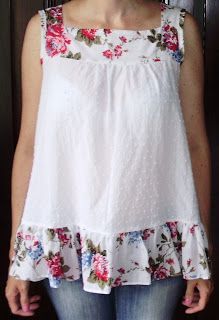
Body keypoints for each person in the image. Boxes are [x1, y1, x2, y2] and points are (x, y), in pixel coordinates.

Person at [5, 0, 214, 319]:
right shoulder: (46, 29)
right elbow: (30, 146)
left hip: (157, 240)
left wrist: (201, 252)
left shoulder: (177, 29)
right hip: (68, 237)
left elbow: (195, 145)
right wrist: (17, 253)